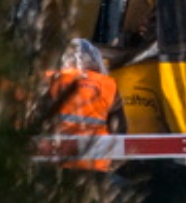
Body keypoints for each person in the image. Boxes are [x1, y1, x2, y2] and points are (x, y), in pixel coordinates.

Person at [46, 38, 127, 172]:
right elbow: (120, 128)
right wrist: (114, 162)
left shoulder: (51, 80)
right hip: (96, 163)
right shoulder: (108, 85)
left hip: (56, 164)